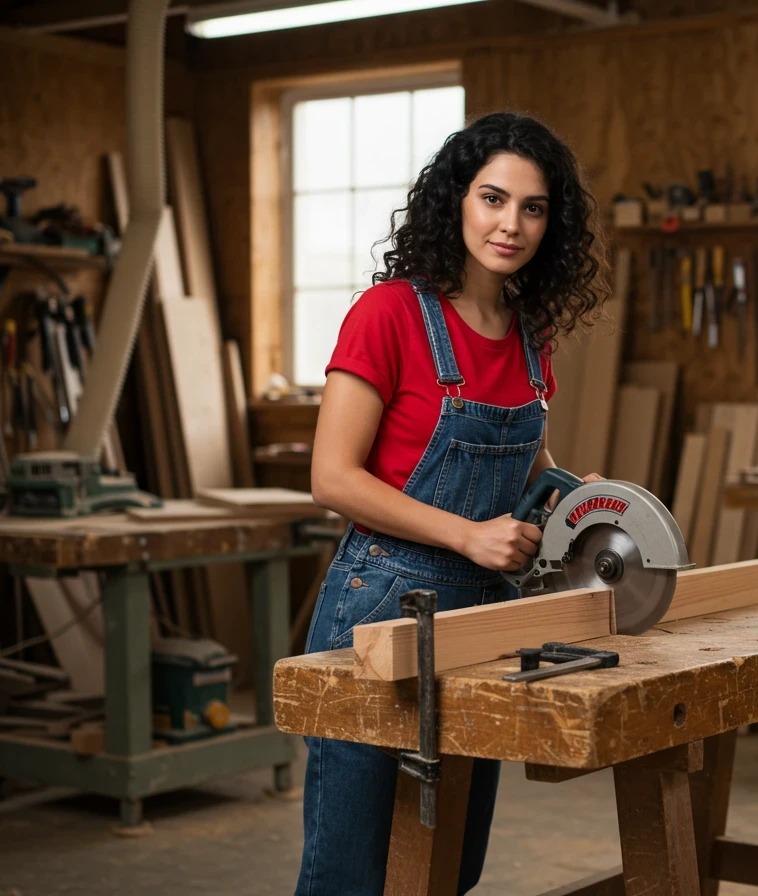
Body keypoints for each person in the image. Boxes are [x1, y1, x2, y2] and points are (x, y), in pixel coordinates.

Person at [296, 111, 611, 896]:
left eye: (533, 208)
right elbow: (333, 478)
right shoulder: (390, 314)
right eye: (493, 199)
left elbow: (529, 464)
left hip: (479, 622)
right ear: (456, 202)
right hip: (378, 611)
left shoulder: (530, 333)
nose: (511, 224)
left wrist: (586, 501)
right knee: (352, 873)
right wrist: (469, 536)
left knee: (446, 870)